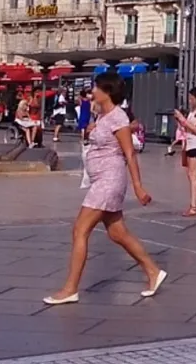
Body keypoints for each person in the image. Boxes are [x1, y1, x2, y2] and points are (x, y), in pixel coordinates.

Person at [44, 72, 164, 305]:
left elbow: (129, 153)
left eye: (95, 88)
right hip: (101, 179)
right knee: (117, 233)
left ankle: (70, 289)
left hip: (109, 180)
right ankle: (153, 271)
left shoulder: (118, 117)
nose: (92, 92)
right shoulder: (105, 115)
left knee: (80, 230)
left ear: (106, 92)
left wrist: (138, 187)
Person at [174, 86, 196, 217]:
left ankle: (193, 206)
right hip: (190, 143)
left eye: (192, 98)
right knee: (194, 174)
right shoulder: (193, 111)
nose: (190, 101)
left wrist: (183, 120)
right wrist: (180, 121)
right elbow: (188, 127)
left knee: (192, 175)